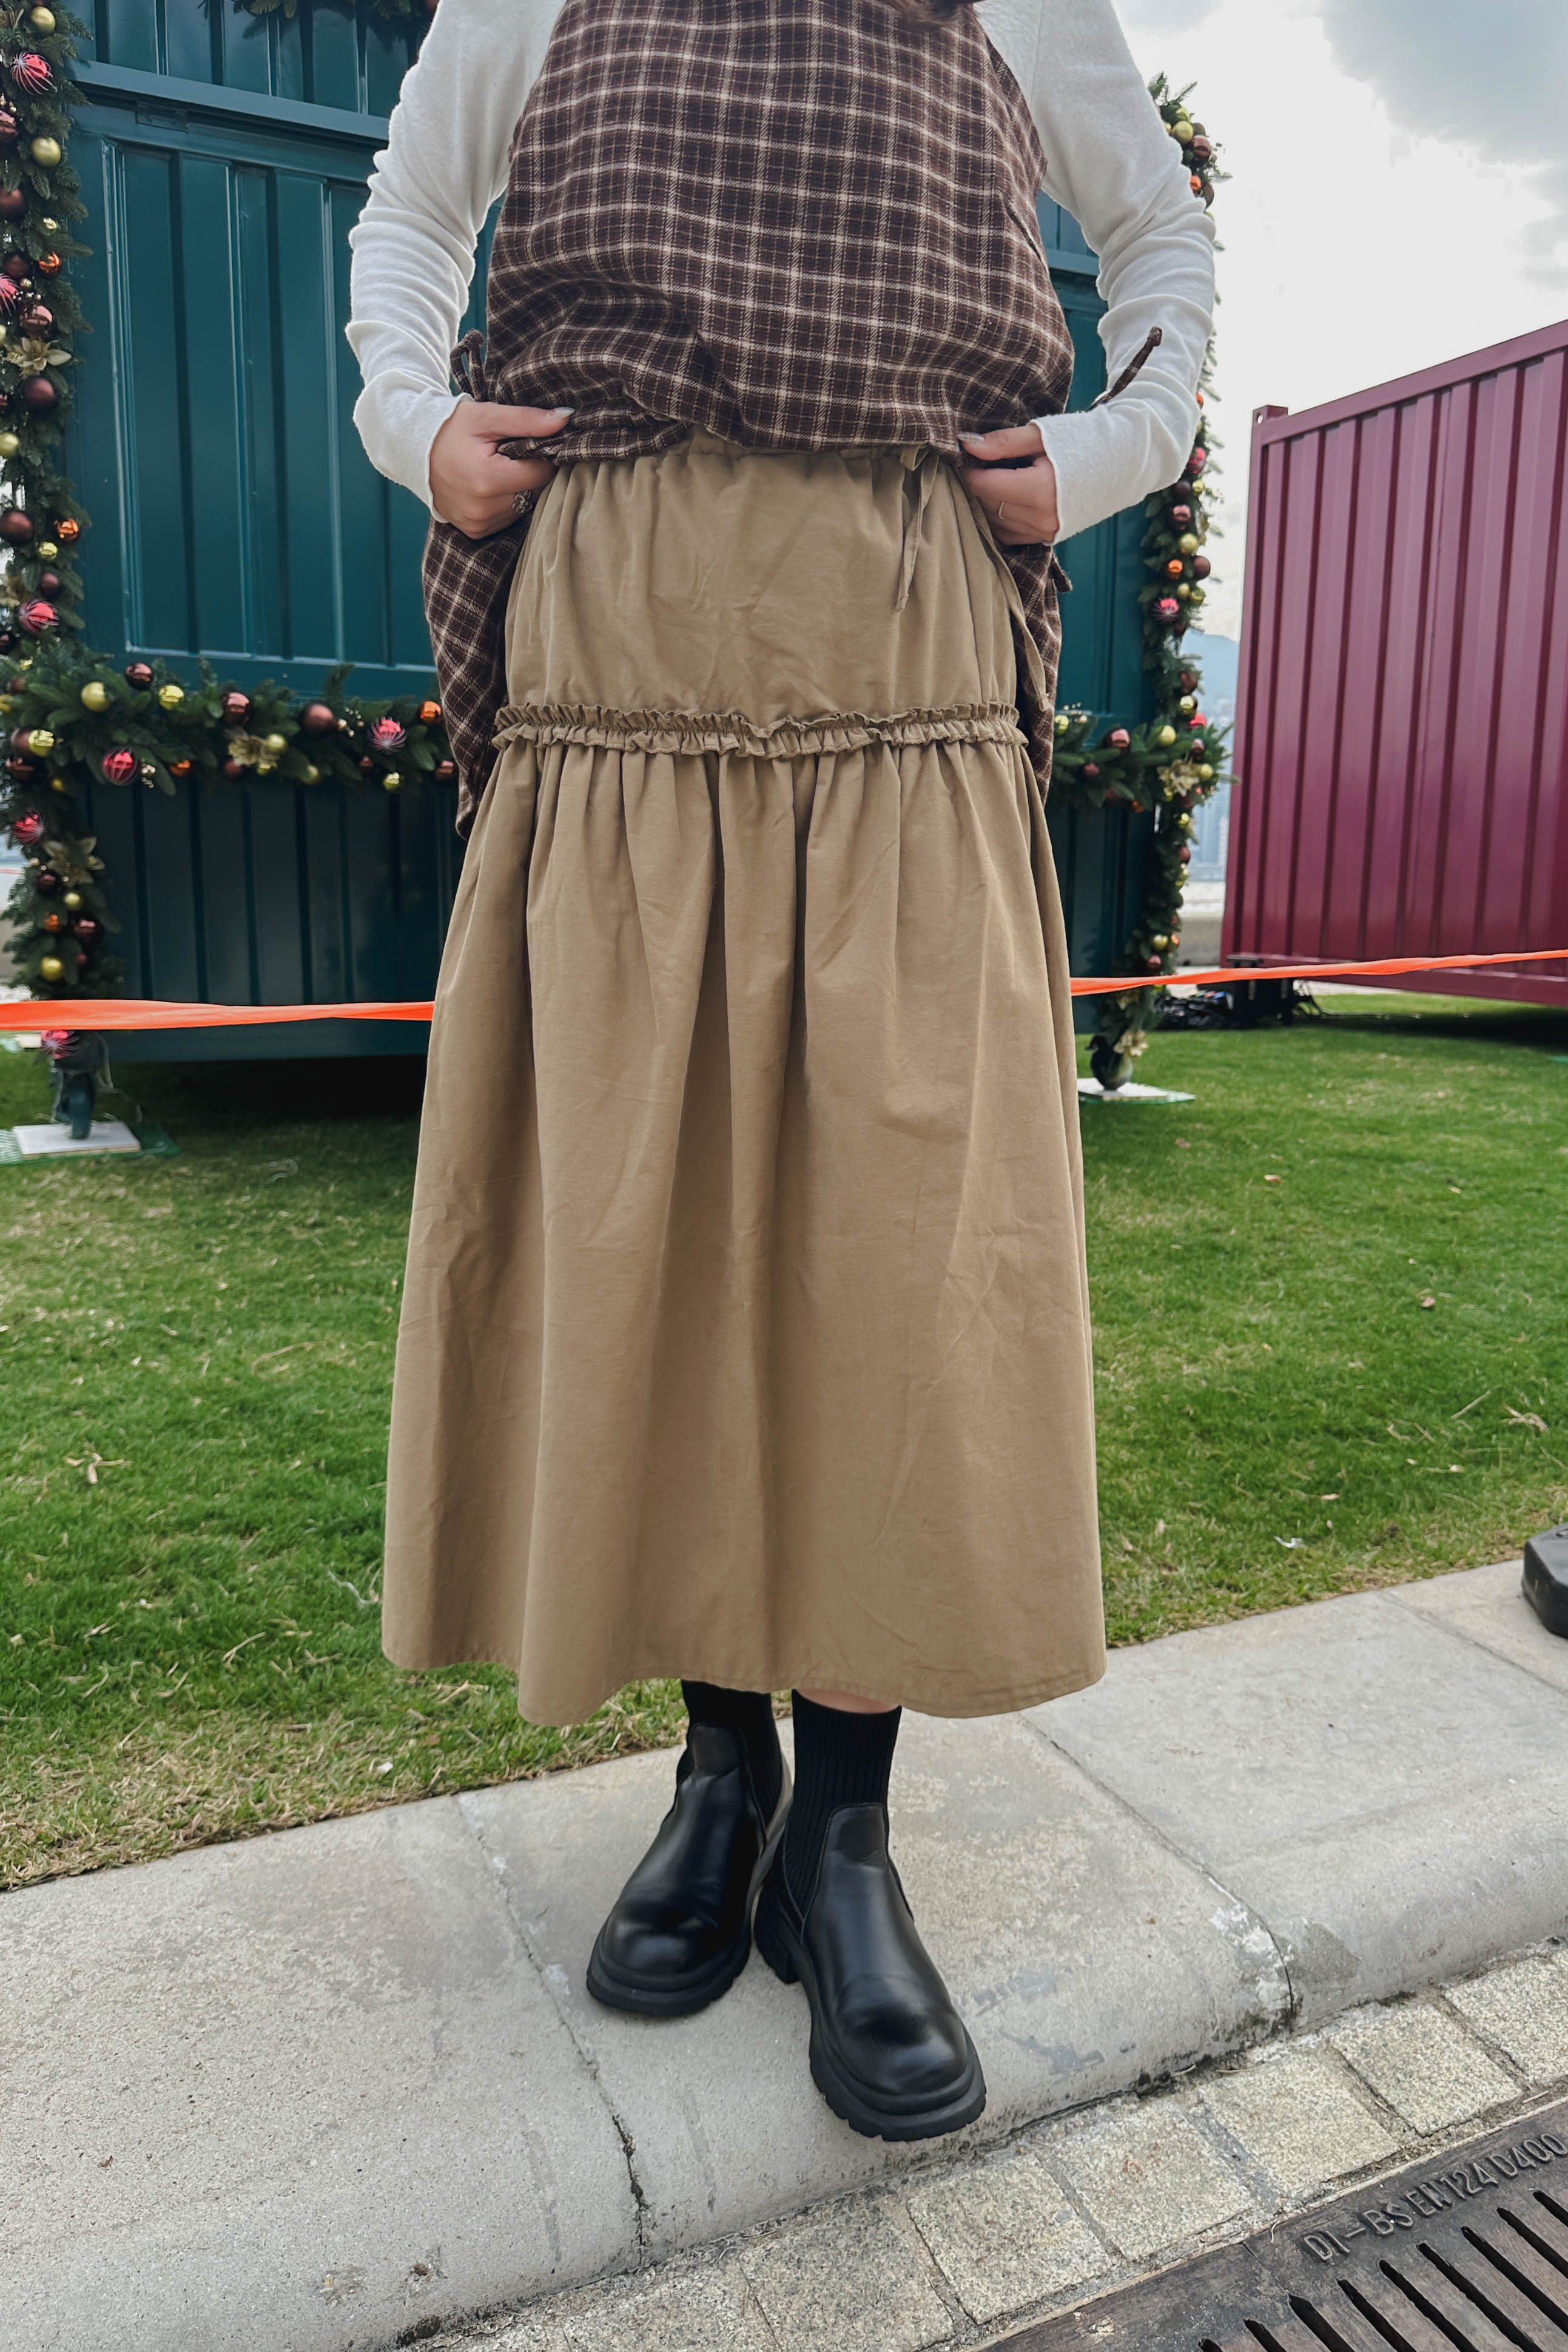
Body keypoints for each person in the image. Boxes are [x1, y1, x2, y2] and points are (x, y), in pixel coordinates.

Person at [348, 0, 1213, 2142]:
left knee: (887, 1266)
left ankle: (842, 1835)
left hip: (906, 680)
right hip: (611, 681)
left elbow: (1160, 237)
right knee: (651, 1242)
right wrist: (409, 419)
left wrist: (1113, 449)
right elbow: (413, 209)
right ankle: (717, 1774)